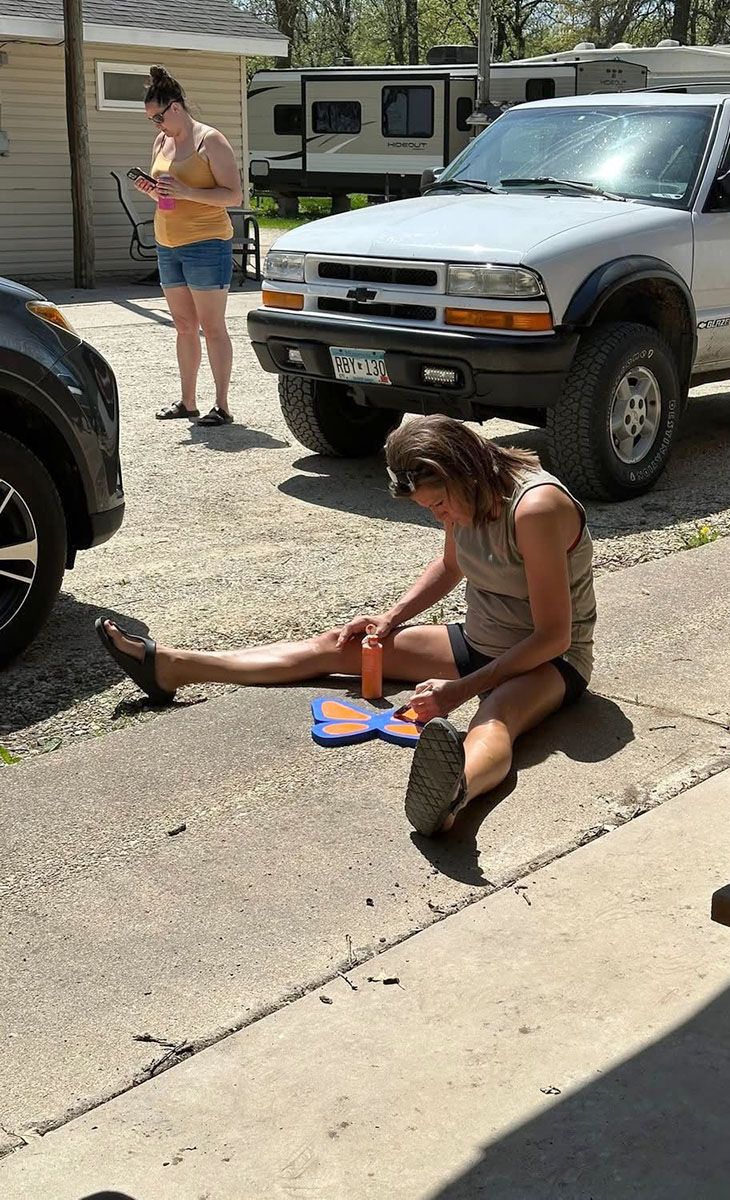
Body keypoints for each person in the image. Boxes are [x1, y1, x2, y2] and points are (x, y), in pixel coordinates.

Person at [94, 416, 597, 836]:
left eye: (439, 504)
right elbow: (451, 566)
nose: (441, 515)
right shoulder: (463, 496)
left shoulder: (535, 508)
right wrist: (391, 618)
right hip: (480, 642)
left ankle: (451, 795)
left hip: (549, 661)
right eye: (430, 510)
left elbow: (554, 635)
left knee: (495, 716)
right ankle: (174, 667)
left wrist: (459, 692)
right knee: (338, 645)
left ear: (461, 471)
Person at [135, 65, 243, 427]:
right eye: (152, 120)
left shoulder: (210, 140)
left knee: (212, 326)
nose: (157, 126)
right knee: (183, 325)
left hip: (206, 243)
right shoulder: (161, 142)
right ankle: (188, 401)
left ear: (176, 107)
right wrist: (155, 191)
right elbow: (168, 193)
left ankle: (223, 406)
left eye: (159, 118)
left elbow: (234, 195)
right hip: (168, 241)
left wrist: (187, 192)